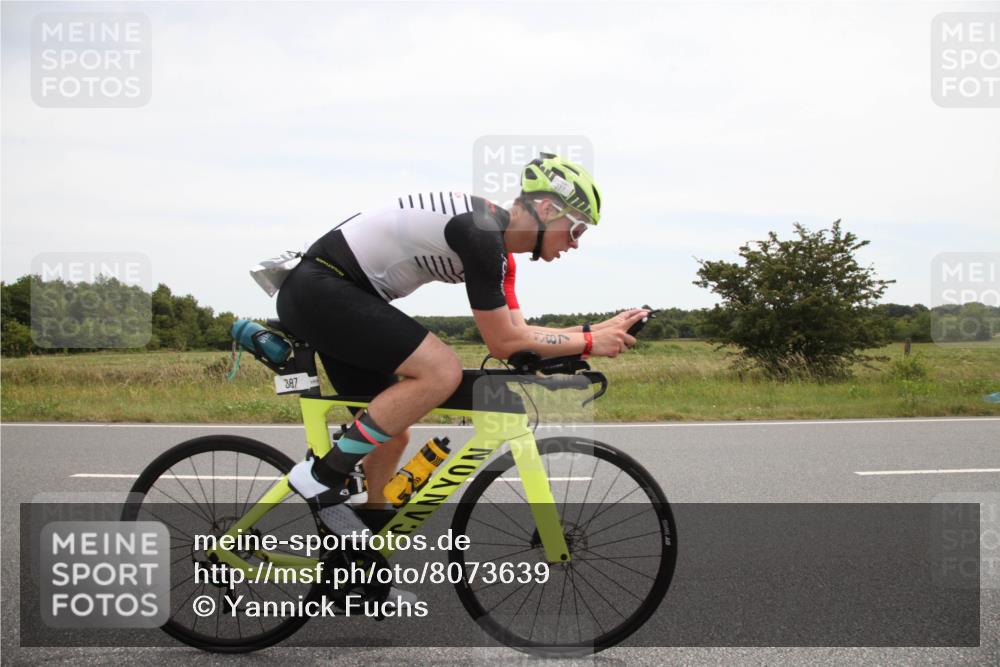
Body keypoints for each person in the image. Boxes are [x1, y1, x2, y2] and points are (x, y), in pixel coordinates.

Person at [277, 153, 647, 532]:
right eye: (577, 230)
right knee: (441, 371)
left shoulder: (499, 251)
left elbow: (520, 335)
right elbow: (503, 343)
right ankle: (322, 476)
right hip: (321, 288)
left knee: (391, 431)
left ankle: (361, 566)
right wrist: (589, 341)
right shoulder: (482, 233)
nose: (575, 244)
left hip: (339, 298)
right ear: (548, 209)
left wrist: (594, 330)